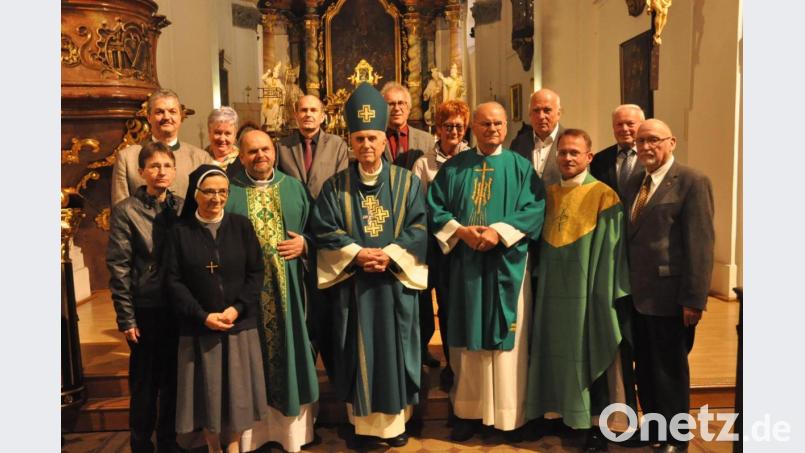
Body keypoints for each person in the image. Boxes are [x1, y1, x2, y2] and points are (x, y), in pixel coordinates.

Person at [310, 82, 428, 449]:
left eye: (373, 138)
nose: (366, 146)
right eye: (359, 139)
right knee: (356, 353)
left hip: (393, 286)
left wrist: (390, 254)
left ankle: (396, 426)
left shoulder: (407, 184)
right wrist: (357, 255)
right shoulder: (334, 187)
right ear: (350, 142)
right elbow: (324, 228)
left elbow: (419, 226)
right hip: (354, 288)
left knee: (394, 351)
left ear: (383, 139)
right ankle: (361, 426)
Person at [427, 102, 545, 441]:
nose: (491, 129)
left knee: (509, 343)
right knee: (467, 341)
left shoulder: (520, 168)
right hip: (467, 266)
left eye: (497, 123)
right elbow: (435, 207)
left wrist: (499, 232)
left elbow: (535, 207)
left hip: (507, 265)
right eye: (484, 124)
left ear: (506, 127)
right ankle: (468, 411)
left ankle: (507, 415)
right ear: (472, 128)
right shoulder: (454, 168)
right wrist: (461, 231)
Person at [525, 129, 634, 452]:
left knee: (587, 353)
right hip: (550, 295)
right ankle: (556, 414)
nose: (568, 158)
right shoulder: (548, 194)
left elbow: (612, 254)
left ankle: (595, 425)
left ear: (589, 157)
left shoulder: (604, 196)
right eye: (563, 153)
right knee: (551, 350)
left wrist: (602, 298)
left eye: (575, 152)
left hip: (588, 296)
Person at [225, 129, 319, 452]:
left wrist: (306, 244)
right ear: (241, 156)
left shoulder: (293, 188)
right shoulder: (230, 190)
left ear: (274, 153)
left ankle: (291, 434)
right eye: (252, 152)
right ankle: (254, 436)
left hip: (289, 292)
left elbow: (319, 230)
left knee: (290, 351)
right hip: (245, 298)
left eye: (265, 149)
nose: (260, 156)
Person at [625, 119, 714, 453]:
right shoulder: (636, 182)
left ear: (671, 142)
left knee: (670, 370)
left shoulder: (692, 181)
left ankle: (677, 437)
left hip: (671, 296)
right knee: (645, 368)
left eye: (653, 140)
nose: (646, 147)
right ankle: (652, 427)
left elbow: (701, 244)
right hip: (638, 295)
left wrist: (694, 299)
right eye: (640, 141)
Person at [166, 165, 269, 453]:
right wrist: (202, 316)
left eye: (222, 191)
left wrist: (237, 309)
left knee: (236, 392)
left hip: (238, 323)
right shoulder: (180, 232)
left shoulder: (241, 226)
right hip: (199, 326)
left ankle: (234, 446)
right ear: (195, 194)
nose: (216, 198)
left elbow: (256, 273)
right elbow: (173, 281)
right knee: (207, 392)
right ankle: (213, 446)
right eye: (209, 191)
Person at [106, 142, 183, 453]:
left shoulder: (179, 207)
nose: (160, 171)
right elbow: (119, 266)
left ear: (175, 171)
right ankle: (140, 444)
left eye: (166, 165)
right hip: (146, 306)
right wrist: (126, 317)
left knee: (173, 382)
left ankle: (168, 442)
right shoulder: (126, 210)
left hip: (177, 306)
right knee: (145, 384)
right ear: (141, 172)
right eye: (154, 166)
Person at [411, 99, 471, 386]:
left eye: (459, 126)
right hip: (432, 246)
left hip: (463, 245)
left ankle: (454, 364)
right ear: (437, 129)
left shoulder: (473, 157)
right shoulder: (424, 163)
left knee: (451, 307)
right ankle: (423, 357)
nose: (454, 131)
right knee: (427, 305)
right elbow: (417, 203)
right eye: (448, 126)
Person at [112, 89, 213, 205]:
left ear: (181, 117)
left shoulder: (201, 159)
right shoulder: (127, 158)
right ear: (149, 117)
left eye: (172, 112)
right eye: (159, 112)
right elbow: (120, 210)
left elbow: (208, 206)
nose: (166, 117)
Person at [275, 95, 349, 200]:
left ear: (322, 117)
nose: (308, 114)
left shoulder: (337, 145)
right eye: (304, 110)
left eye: (313, 110)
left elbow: (342, 182)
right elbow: (277, 183)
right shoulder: (282, 147)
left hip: (326, 210)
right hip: (295, 209)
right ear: (296, 115)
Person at [510, 88, 564, 187]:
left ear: (558, 113)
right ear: (530, 114)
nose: (541, 116)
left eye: (547, 110)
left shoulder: (571, 142)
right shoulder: (518, 144)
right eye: (536, 110)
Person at [590, 104, 645, 199]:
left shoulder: (651, 157)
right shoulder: (599, 159)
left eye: (630, 124)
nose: (624, 129)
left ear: (642, 125)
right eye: (619, 124)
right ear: (613, 127)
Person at [380, 81, 435, 169]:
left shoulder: (428, 141)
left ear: (409, 108)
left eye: (401, 103)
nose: (397, 108)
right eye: (391, 104)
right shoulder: (375, 139)